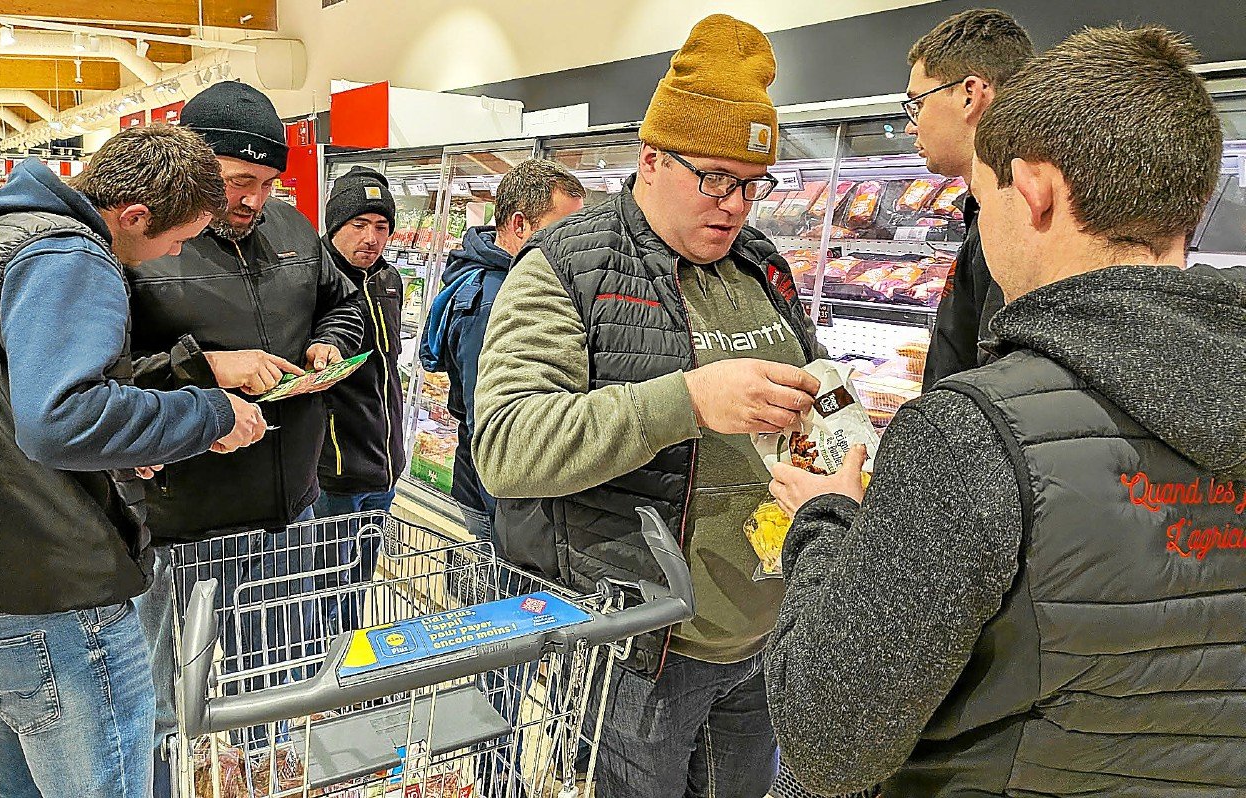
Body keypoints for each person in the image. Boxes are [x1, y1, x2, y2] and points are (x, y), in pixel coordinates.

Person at [765, 25, 1245, 797]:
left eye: (985, 200)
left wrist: (827, 522)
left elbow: (828, 742)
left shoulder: (969, 436)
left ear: (1034, 190)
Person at [473, 15, 823, 797]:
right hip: (639, 654)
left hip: (767, 637)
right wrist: (688, 399)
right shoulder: (566, 267)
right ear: (652, 158)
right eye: (716, 179)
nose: (735, 206)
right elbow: (504, 445)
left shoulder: (760, 264)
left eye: (753, 184)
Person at [0, 125, 265, 798]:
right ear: (133, 216)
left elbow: (6, 407)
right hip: (56, 589)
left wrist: (126, 449)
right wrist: (210, 414)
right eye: (178, 237)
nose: (177, 252)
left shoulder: (1, 238)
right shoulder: (69, 255)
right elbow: (61, 418)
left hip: (0, 579)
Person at [126, 81, 364, 783]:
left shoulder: (294, 231)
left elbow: (343, 306)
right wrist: (207, 369)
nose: (254, 200)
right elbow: (106, 379)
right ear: (190, 164)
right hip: (174, 523)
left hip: (284, 513)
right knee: (163, 705)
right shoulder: (141, 245)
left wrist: (328, 342)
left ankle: (264, 781)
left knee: (280, 687)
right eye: (237, 181)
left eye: (267, 183)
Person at [419, 158, 585, 546]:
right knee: (492, 578)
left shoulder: (515, 281)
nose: (573, 243)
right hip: (499, 496)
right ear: (519, 225)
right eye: (562, 229)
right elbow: (490, 422)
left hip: (500, 486)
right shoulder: (494, 303)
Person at [904, 8, 1033, 388]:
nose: (911, 125)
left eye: (918, 103)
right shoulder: (987, 206)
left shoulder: (1016, 215)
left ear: (969, 96)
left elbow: (1001, 377)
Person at [311, 165, 404, 632]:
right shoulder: (313, 279)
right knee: (322, 587)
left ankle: (348, 661)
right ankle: (320, 665)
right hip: (335, 471)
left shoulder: (389, 280)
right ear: (334, 226)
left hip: (384, 467)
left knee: (359, 584)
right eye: (359, 224)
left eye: (381, 226)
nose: (371, 238)